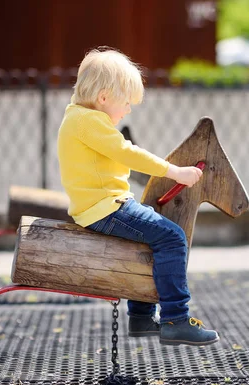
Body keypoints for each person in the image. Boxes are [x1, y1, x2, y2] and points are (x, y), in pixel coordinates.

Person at [57, 47, 219, 346]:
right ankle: (175, 318)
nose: (128, 110)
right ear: (104, 97)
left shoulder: (77, 118)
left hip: (101, 206)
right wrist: (175, 172)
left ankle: (142, 317)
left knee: (150, 239)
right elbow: (128, 152)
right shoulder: (89, 121)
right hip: (106, 208)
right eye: (126, 103)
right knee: (172, 237)